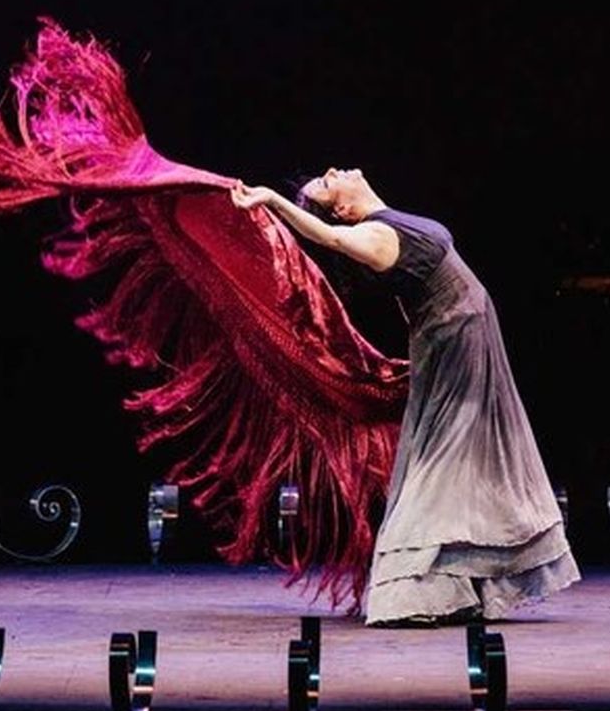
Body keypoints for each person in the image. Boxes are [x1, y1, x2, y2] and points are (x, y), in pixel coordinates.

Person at [230, 169, 580, 626]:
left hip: (465, 334)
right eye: (324, 184)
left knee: (468, 457)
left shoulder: (387, 220)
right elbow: (332, 240)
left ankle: (460, 582)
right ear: (341, 209)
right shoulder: (372, 234)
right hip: (456, 340)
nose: (332, 172)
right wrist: (274, 201)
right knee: (444, 456)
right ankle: (408, 582)